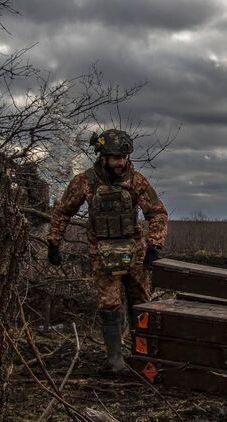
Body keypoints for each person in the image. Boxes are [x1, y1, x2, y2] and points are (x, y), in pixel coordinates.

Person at [47, 129, 168, 372]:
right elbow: (62, 211)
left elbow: (157, 212)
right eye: (116, 157)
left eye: (124, 157)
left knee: (141, 302)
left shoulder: (136, 180)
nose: (121, 162)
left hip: (135, 252)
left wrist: (155, 245)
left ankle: (142, 354)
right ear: (103, 156)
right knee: (109, 305)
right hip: (101, 253)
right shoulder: (86, 181)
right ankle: (115, 360)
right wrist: (54, 242)